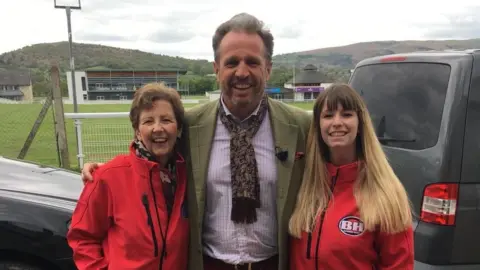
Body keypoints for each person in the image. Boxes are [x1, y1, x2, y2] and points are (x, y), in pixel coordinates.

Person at [79, 13, 311, 270]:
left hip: (274, 263)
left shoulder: (300, 126)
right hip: (208, 263)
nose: (242, 72)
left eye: (252, 62)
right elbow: (153, 159)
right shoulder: (190, 126)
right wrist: (104, 172)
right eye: (232, 62)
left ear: (267, 67)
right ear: (216, 69)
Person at [288, 83, 414, 270]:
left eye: (346, 114)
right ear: (318, 125)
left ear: (360, 123)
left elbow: (399, 265)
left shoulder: (386, 194)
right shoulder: (302, 183)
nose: (336, 122)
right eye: (328, 115)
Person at [68, 83, 190, 270]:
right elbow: (82, 238)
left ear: (179, 128)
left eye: (166, 120)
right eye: (148, 121)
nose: (158, 128)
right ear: (137, 131)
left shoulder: (189, 175)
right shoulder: (108, 177)